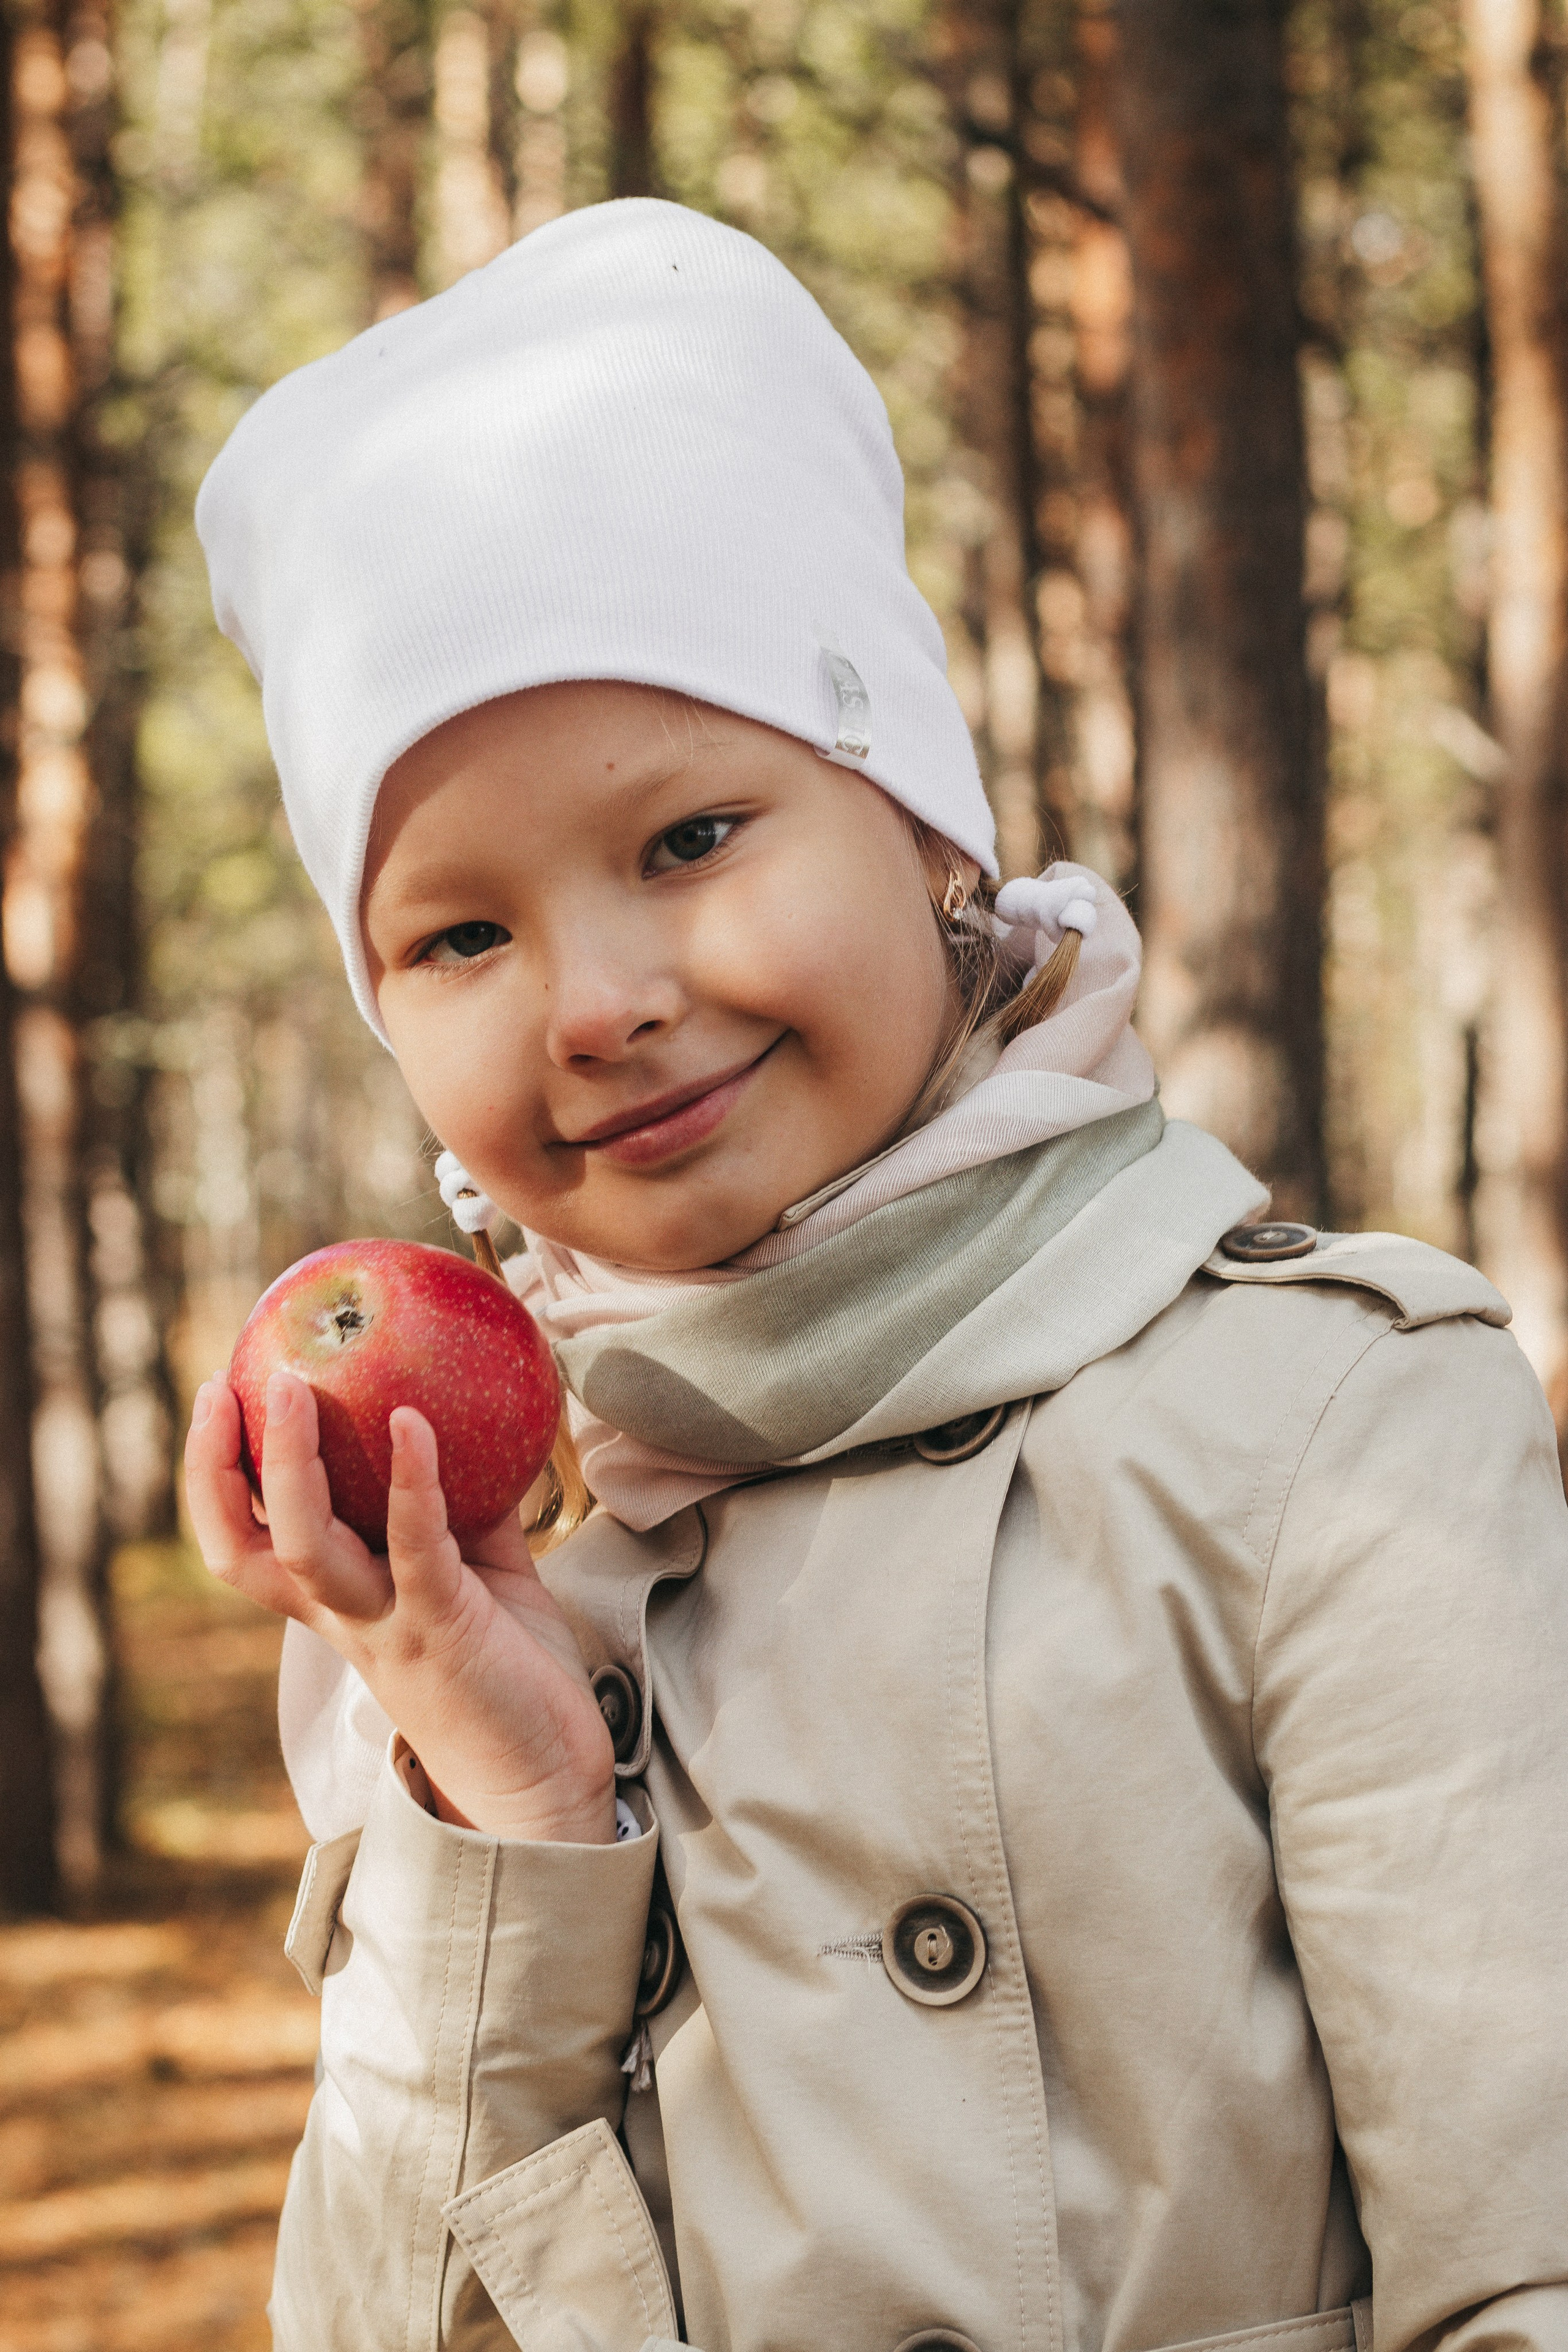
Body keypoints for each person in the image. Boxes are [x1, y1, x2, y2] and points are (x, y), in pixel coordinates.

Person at [184, 200, 1568, 2352]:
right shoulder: (458, 1608)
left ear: (929, 828)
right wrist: (514, 1808)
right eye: (460, 936)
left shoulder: (1330, 1432)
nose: (597, 1002)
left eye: (690, 839)